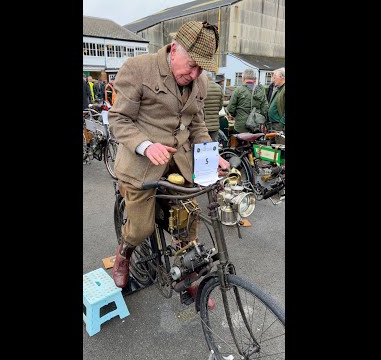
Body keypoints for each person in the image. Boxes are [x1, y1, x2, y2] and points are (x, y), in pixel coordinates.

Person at [108, 21, 230, 301]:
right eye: (191, 65)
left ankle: (189, 275)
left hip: (179, 164)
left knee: (188, 223)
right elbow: (119, 119)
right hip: (141, 165)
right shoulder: (138, 69)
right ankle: (124, 252)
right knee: (141, 228)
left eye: (201, 68)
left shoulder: (200, 82)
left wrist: (213, 154)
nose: (195, 73)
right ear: (174, 49)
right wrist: (146, 145)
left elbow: (197, 125)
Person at [226, 68, 269, 134]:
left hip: (241, 126)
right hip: (256, 125)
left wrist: (236, 115)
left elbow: (230, 108)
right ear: (255, 79)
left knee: (239, 143)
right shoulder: (261, 90)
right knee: (255, 143)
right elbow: (265, 108)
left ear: (243, 79)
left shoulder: (238, 90)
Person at [203, 71, 223, 142]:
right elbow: (220, 107)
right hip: (215, 124)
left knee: (202, 147)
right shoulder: (219, 88)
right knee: (213, 146)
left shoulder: (201, 87)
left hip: (202, 125)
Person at [267, 67, 285, 132]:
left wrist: (281, 125)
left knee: (279, 142)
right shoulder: (278, 89)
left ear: (282, 77)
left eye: (274, 78)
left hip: (279, 126)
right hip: (273, 125)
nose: (273, 80)